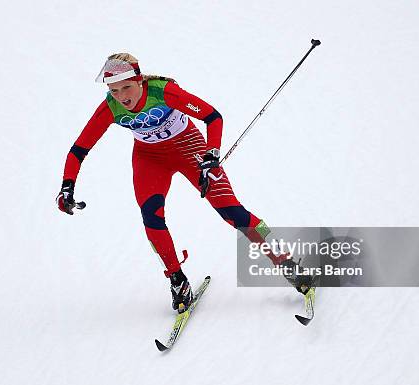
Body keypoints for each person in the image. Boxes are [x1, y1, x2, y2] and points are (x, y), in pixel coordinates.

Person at [57, 53, 306, 313]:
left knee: (231, 211)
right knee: (151, 218)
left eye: (126, 87)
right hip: (149, 158)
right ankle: (177, 280)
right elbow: (79, 148)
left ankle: (286, 263)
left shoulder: (165, 92)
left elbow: (213, 117)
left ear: (140, 80)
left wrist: (212, 154)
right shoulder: (110, 107)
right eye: (114, 90)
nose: (121, 96)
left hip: (189, 148)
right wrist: (67, 186)